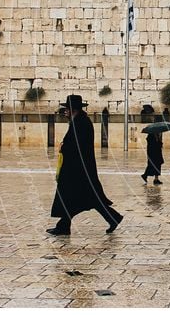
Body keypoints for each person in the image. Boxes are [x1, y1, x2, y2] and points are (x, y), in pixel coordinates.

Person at [47, 95, 123, 236]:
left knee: (76, 198)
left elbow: (75, 146)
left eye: (66, 109)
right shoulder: (80, 121)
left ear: (73, 110)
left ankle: (63, 226)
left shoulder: (80, 123)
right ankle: (113, 218)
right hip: (80, 168)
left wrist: (63, 147)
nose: (65, 112)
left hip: (78, 170)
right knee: (85, 199)